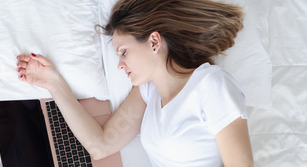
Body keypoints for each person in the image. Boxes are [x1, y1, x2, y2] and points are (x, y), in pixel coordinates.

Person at [16, 0, 254, 166]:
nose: (120, 64)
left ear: (153, 41)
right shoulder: (148, 91)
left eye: (124, 52)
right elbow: (100, 146)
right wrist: (53, 83)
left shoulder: (211, 84)